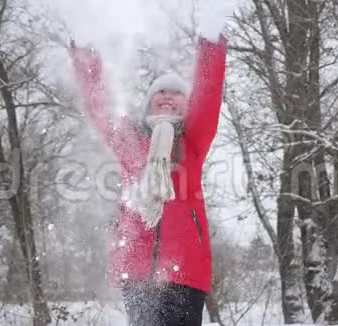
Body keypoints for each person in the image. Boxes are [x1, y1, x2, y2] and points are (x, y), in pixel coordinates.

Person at [69, 30, 226, 326]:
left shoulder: (191, 141)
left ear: (187, 105)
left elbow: (209, 95)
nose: (168, 96)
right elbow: (99, 105)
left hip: (186, 271)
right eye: (161, 92)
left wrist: (212, 43)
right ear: (148, 102)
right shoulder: (130, 140)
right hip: (138, 270)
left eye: (177, 93)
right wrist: (86, 53)